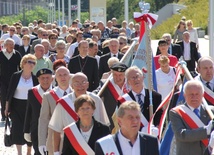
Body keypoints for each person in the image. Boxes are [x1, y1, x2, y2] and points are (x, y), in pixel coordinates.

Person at [48, 72, 110, 155]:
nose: (80, 86)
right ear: (72, 86)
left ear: (88, 84)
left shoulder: (96, 100)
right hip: (71, 149)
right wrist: (56, 152)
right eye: (76, 83)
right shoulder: (63, 103)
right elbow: (56, 129)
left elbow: (104, 125)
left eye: (83, 82)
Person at [95, 101, 159, 155]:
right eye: (130, 117)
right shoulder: (104, 144)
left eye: (137, 117)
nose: (135, 121)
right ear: (119, 121)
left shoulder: (151, 142)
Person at [5, 54, 38, 155]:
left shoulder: (35, 78)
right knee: (17, 129)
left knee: (29, 129)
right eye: (29, 62)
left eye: (33, 63)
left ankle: (28, 151)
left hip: (30, 106)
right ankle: (19, 152)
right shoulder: (16, 76)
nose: (32, 64)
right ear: (23, 63)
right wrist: (6, 108)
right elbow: (9, 93)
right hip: (16, 106)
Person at [169, 80, 214, 155]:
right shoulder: (176, 112)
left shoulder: (211, 111)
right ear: (184, 95)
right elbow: (181, 135)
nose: (194, 97)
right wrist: (206, 130)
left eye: (197, 94)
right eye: (191, 94)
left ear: (202, 95)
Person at [38, 66, 72, 155]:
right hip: (54, 137)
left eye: (65, 75)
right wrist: (41, 142)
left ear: (69, 77)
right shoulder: (48, 96)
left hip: (74, 135)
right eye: (59, 75)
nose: (63, 77)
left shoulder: (77, 94)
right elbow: (43, 120)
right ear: (55, 78)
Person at [23, 68, 53, 155]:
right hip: (36, 129)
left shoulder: (56, 92)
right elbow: (28, 111)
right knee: (38, 152)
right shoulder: (32, 92)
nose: (45, 80)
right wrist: (26, 130)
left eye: (47, 77)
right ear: (38, 79)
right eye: (42, 78)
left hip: (52, 129)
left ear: (52, 79)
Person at [99, 62, 128, 130]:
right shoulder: (105, 83)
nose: (117, 78)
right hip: (111, 123)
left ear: (125, 75)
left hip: (128, 121)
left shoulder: (130, 84)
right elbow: (97, 92)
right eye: (115, 75)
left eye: (120, 75)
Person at [0, 38, 22, 121]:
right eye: (9, 44)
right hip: (3, 79)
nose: (11, 46)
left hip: (14, 79)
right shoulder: (1, 54)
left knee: (13, 96)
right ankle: (4, 114)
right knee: (3, 97)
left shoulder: (17, 54)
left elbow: (20, 67)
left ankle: (12, 114)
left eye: (12, 44)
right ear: (5, 45)